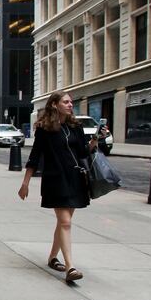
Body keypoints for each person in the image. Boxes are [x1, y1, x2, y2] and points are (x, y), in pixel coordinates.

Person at [17, 90, 101, 283]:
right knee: (65, 222)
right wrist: (25, 183)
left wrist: (95, 141)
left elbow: (82, 152)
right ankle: (70, 267)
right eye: (66, 102)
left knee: (64, 222)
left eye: (71, 102)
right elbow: (35, 157)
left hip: (75, 178)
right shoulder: (45, 129)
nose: (70, 105)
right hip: (55, 179)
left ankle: (53, 257)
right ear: (55, 105)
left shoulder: (76, 127)